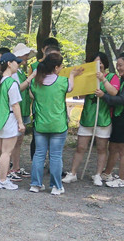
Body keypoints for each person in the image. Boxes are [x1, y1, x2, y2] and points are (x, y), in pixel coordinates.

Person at [62, 52, 120, 186]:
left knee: (101, 148)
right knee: (80, 147)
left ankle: (98, 175)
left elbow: (114, 92)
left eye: (100, 62)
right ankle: (73, 173)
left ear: (104, 63)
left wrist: (103, 82)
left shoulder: (112, 77)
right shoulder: (88, 77)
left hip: (103, 118)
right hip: (88, 116)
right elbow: (79, 94)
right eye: (95, 63)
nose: (97, 65)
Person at [29, 52, 83, 195]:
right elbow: (70, 88)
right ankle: (56, 186)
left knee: (39, 154)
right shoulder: (63, 81)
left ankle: (35, 184)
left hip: (40, 125)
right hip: (58, 125)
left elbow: (31, 95)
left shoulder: (36, 83)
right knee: (56, 155)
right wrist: (72, 74)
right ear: (57, 67)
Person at [96, 47, 124, 188]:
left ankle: (122, 179)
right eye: (117, 66)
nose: (119, 68)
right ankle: (107, 173)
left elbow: (122, 99)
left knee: (123, 149)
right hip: (118, 117)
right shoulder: (123, 79)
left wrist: (104, 96)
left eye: (121, 66)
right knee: (113, 147)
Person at [0, 53, 26, 190]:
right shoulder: (11, 83)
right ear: (9, 64)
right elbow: (15, 105)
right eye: (16, 62)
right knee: (6, 152)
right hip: (9, 119)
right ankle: (3, 180)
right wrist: (20, 123)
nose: (18, 64)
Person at [9, 43, 37, 180]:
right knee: (13, 141)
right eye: (25, 55)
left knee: (19, 141)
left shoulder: (20, 71)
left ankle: (16, 167)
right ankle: (10, 169)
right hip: (16, 110)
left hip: (24, 109)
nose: (26, 57)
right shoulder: (13, 73)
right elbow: (17, 89)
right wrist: (31, 78)